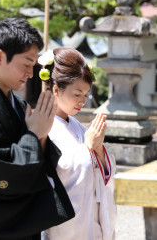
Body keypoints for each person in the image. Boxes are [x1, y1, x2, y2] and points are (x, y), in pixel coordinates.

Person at [0, 18, 75, 240]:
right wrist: (34, 134)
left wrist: (42, 135)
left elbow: (39, 159)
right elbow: (0, 171)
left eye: (34, 65)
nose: (30, 73)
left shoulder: (18, 105)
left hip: (17, 224)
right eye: (26, 64)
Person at [39, 48, 117, 240]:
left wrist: (98, 150)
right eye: (77, 94)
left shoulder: (77, 126)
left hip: (92, 220)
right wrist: (87, 148)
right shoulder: (43, 126)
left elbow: (102, 171)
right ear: (56, 89)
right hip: (66, 226)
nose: (82, 100)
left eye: (86, 94)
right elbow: (53, 177)